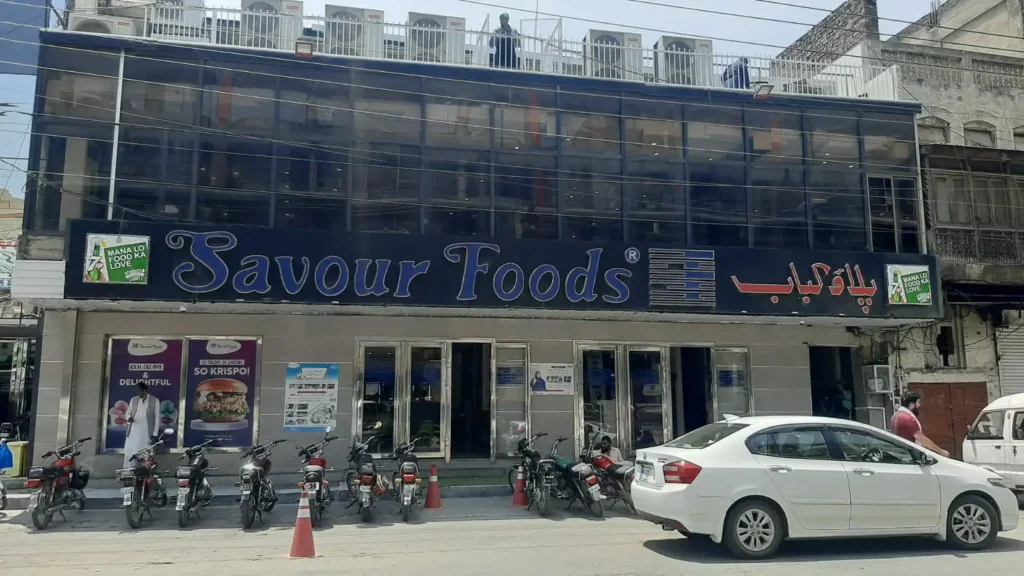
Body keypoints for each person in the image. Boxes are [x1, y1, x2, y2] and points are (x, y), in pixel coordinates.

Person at [890, 392, 949, 458]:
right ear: (911, 404)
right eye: (918, 402)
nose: (919, 405)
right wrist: (941, 451)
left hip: (901, 453)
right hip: (908, 456)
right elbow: (922, 439)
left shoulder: (896, 415)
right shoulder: (907, 418)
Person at [123, 382, 160, 468]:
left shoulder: (155, 401)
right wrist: (129, 418)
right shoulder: (133, 400)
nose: (139, 394)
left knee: (145, 455)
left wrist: (155, 435)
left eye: (141, 392)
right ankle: (129, 475)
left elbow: (157, 419)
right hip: (133, 433)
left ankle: (144, 477)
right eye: (138, 392)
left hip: (146, 434)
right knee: (131, 453)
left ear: (145, 390)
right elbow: (128, 413)